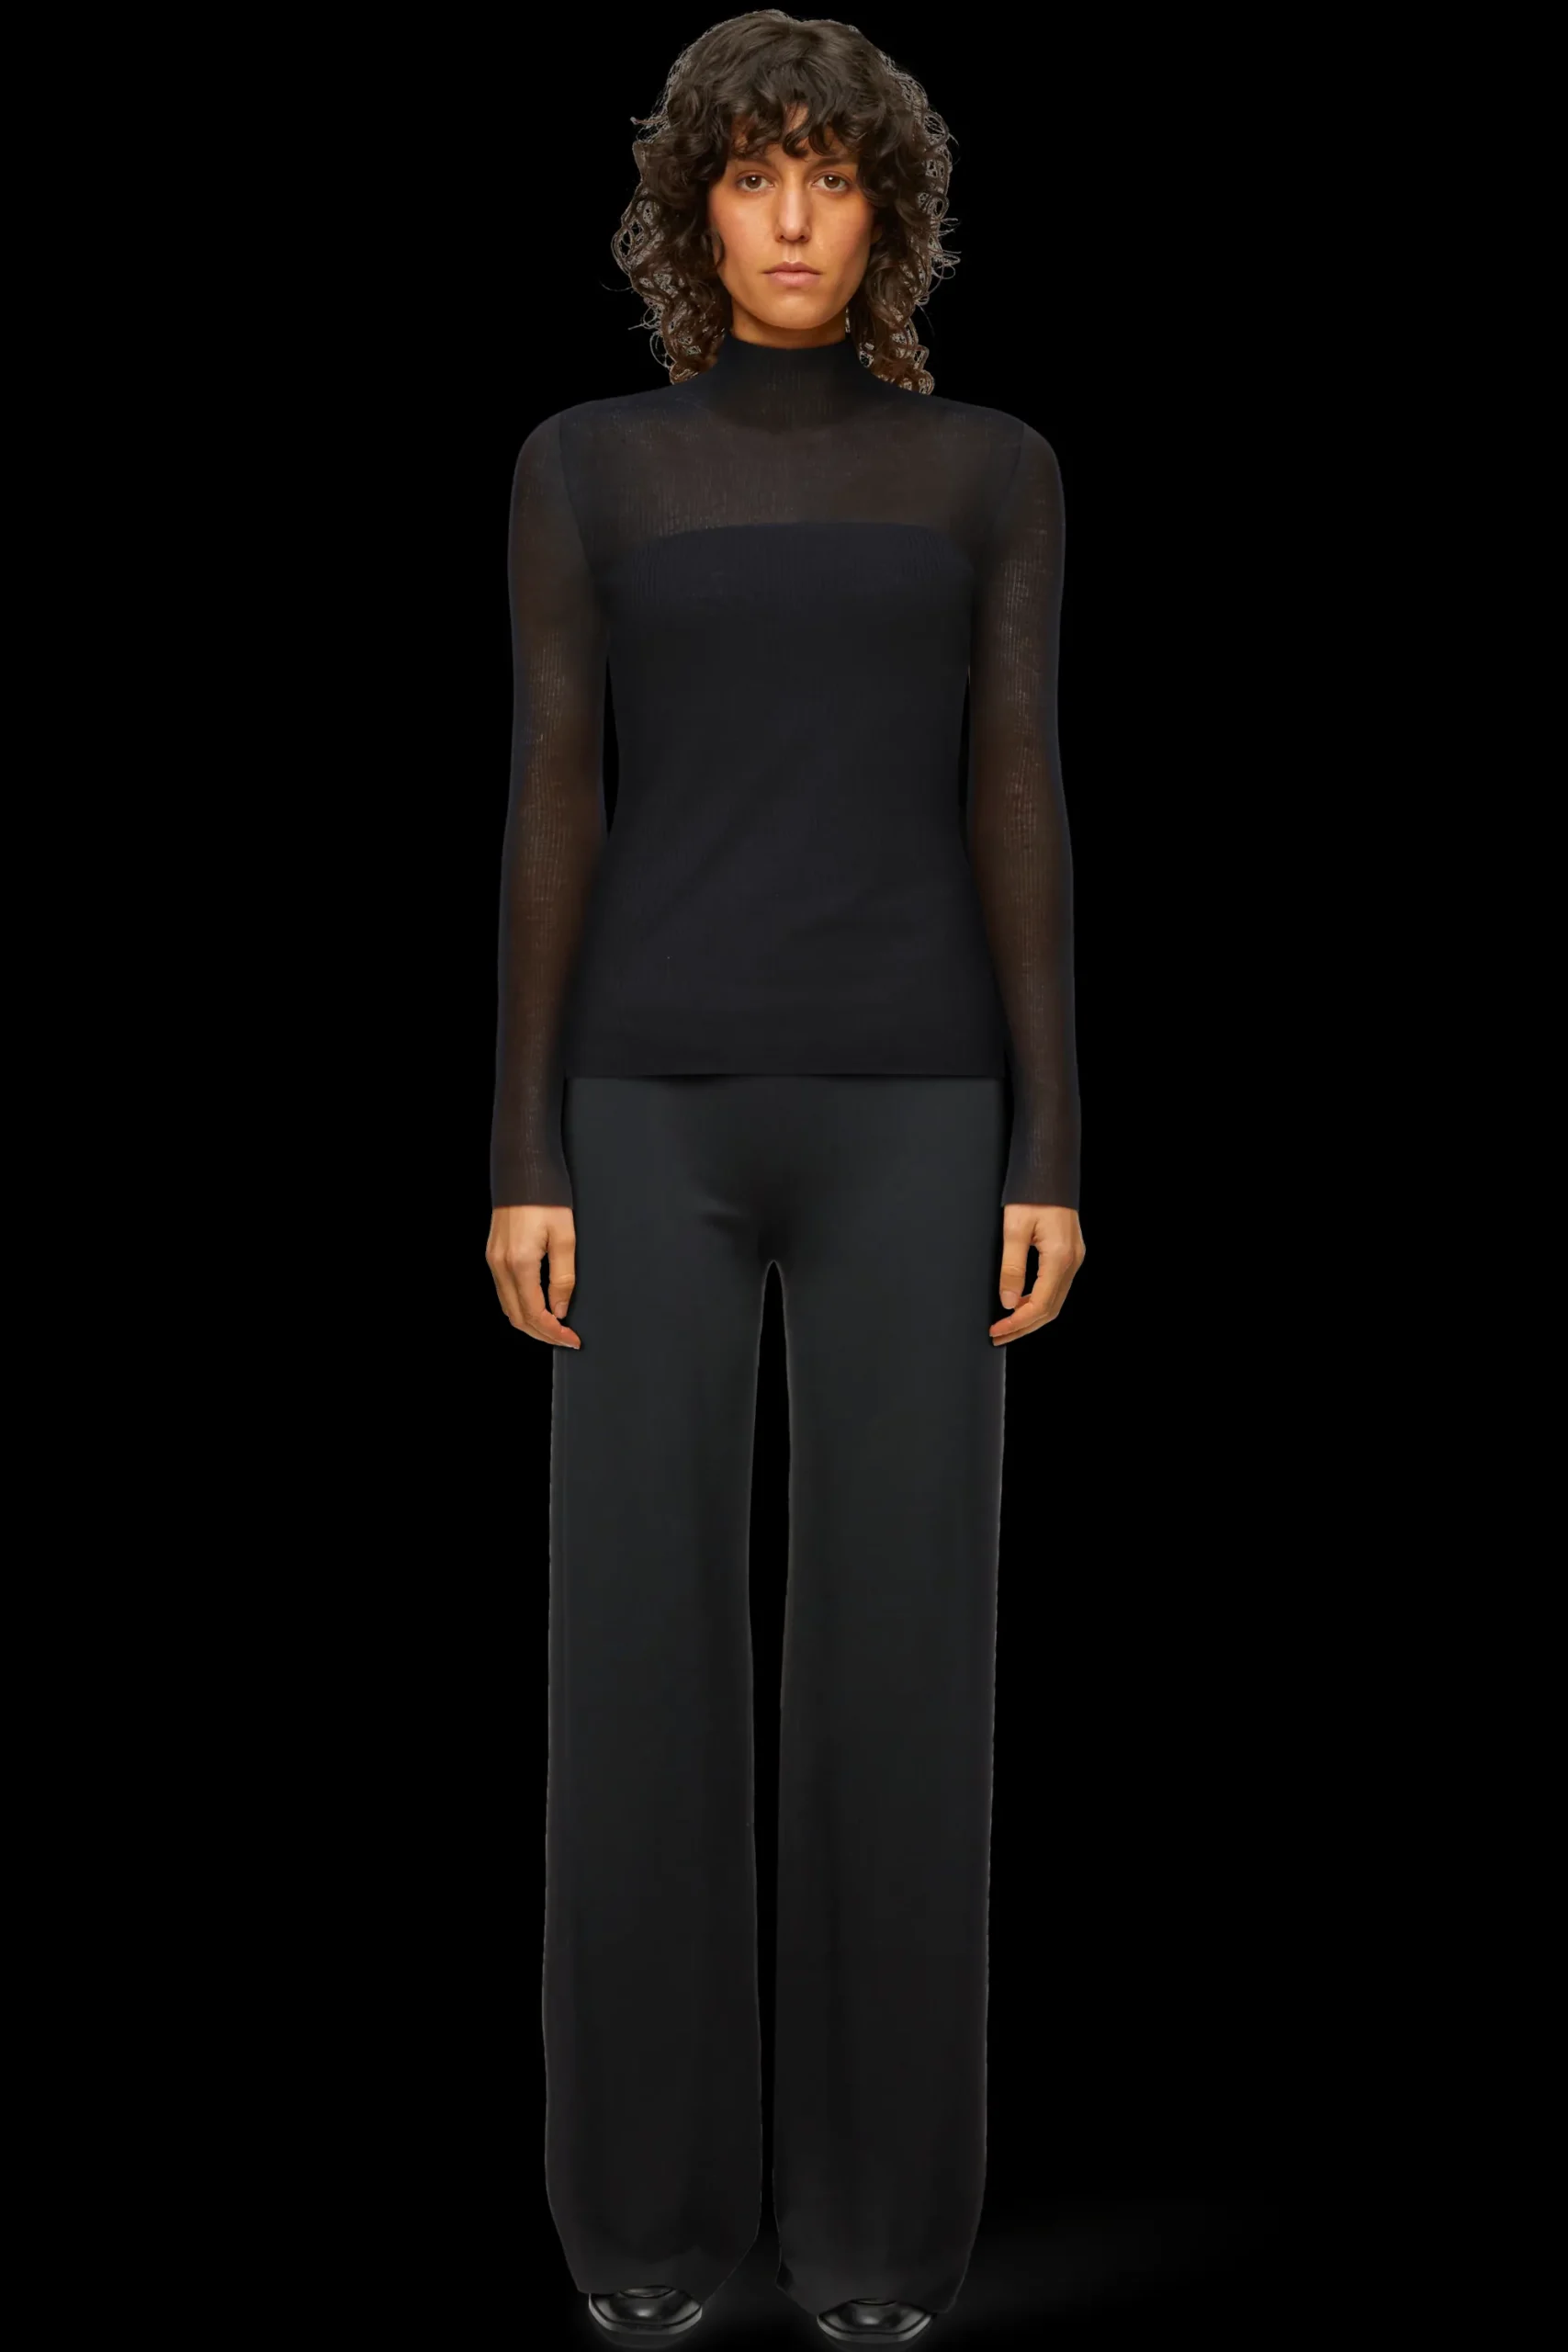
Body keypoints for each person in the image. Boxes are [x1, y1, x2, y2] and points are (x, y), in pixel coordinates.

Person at [484, 14, 1085, 2344]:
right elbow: (556, 790)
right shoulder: (586, 468)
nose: (798, 216)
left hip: (919, 1108)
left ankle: (876, 2236)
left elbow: (1017, 784)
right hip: (644, 1109)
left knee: (900, 1669)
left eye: (835, 174)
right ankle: (640, 2225)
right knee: (635, 1664)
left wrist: (1051, 1141)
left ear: (890, 209)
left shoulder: (989, 472)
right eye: (755, 175)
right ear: (695, 210)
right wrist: (522, 1144)